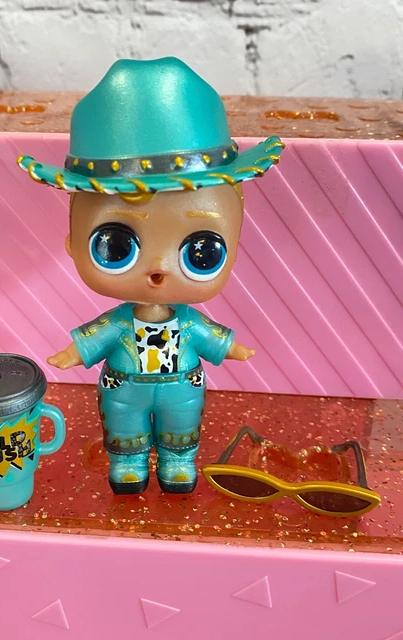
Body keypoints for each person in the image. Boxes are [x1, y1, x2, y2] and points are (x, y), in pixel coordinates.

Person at [17, 57, 284, 495]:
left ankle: (179, 460)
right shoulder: (119, 321)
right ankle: (128, 462)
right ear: (72, 243)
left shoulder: (188, 322)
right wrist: (72, 353)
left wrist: (231, 348)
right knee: (124, 424)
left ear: (235, 247)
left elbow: (209, 336)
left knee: (182, 423)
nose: (158, 268)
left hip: (182, 386)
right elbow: (96, 338)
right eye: (116, 247)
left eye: (202, 252)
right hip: (125, 388)